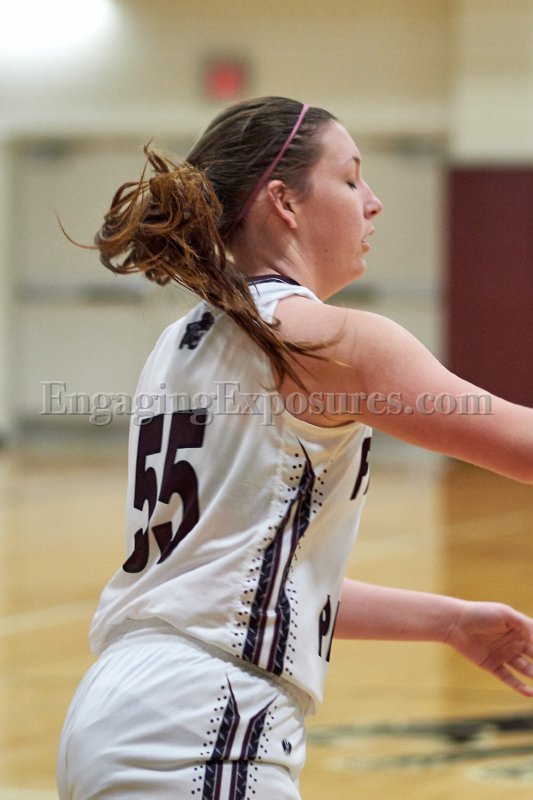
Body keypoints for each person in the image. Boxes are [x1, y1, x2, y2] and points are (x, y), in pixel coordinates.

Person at [57, 97, 533, 800]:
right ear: (283, 201)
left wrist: (449, 621)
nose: (372, 202)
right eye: (350, 178)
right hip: (206, 721)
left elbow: (244, 577)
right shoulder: (325, 341)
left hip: (116, 710)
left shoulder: (180, 341)